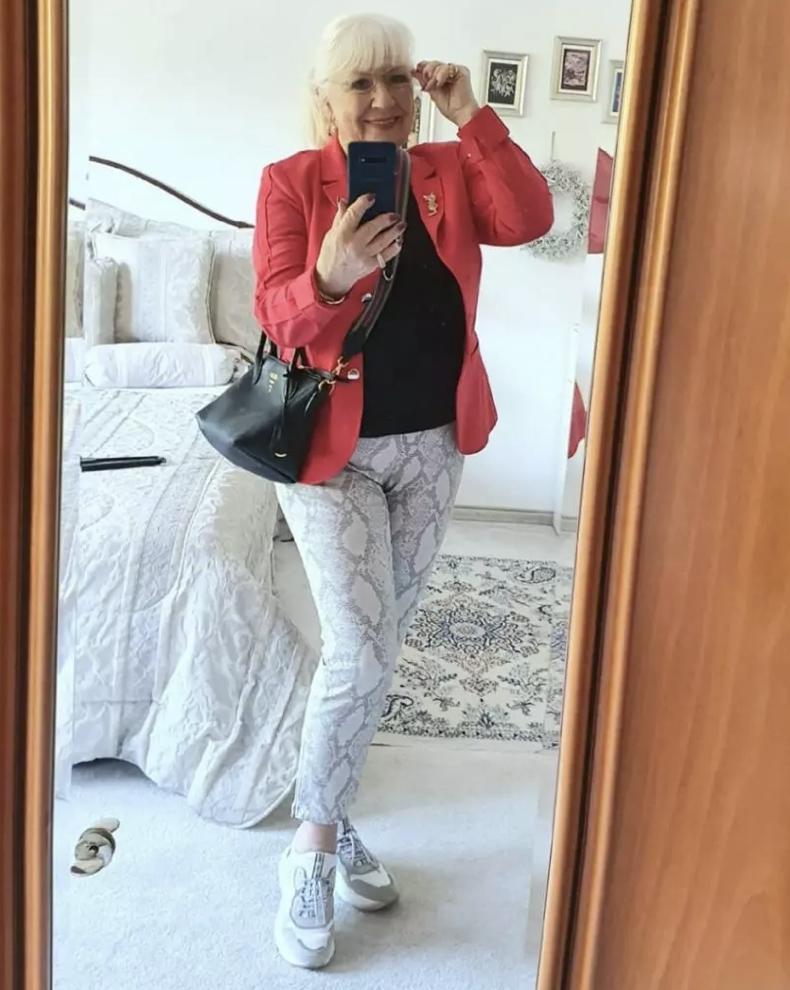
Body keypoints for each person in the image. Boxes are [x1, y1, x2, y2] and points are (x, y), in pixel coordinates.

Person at [252, 12, 553, 970]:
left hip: (433, 447)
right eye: (360, 84)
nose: (383, 100)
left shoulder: (447, 170)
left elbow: (530, 220)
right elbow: (279, 318)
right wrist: (329, 275)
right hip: (329, 454)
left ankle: (334, 815)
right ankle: (311, 847)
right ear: (328, 100)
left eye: (395, 79)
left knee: (376, 652)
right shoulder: (291, 183)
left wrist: (472, 117)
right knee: (360, 647)